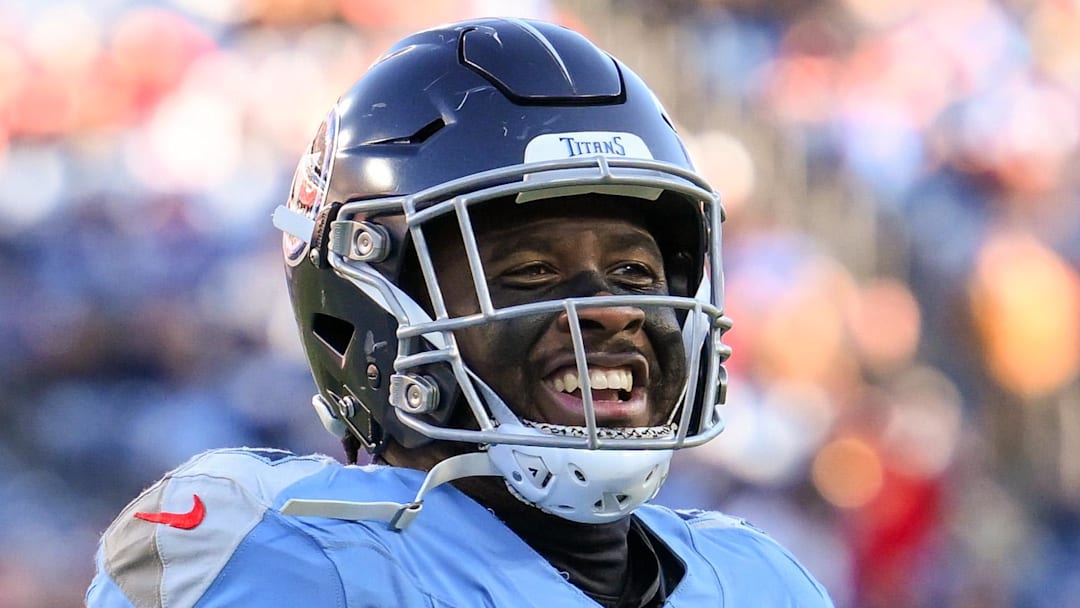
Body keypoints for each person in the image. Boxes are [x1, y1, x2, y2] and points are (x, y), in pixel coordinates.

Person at [87, 18, 833, 607]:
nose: (612, 312)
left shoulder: (761, 580)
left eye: (634, 271)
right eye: (532, 272)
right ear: (375, 309)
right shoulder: (287, 557)